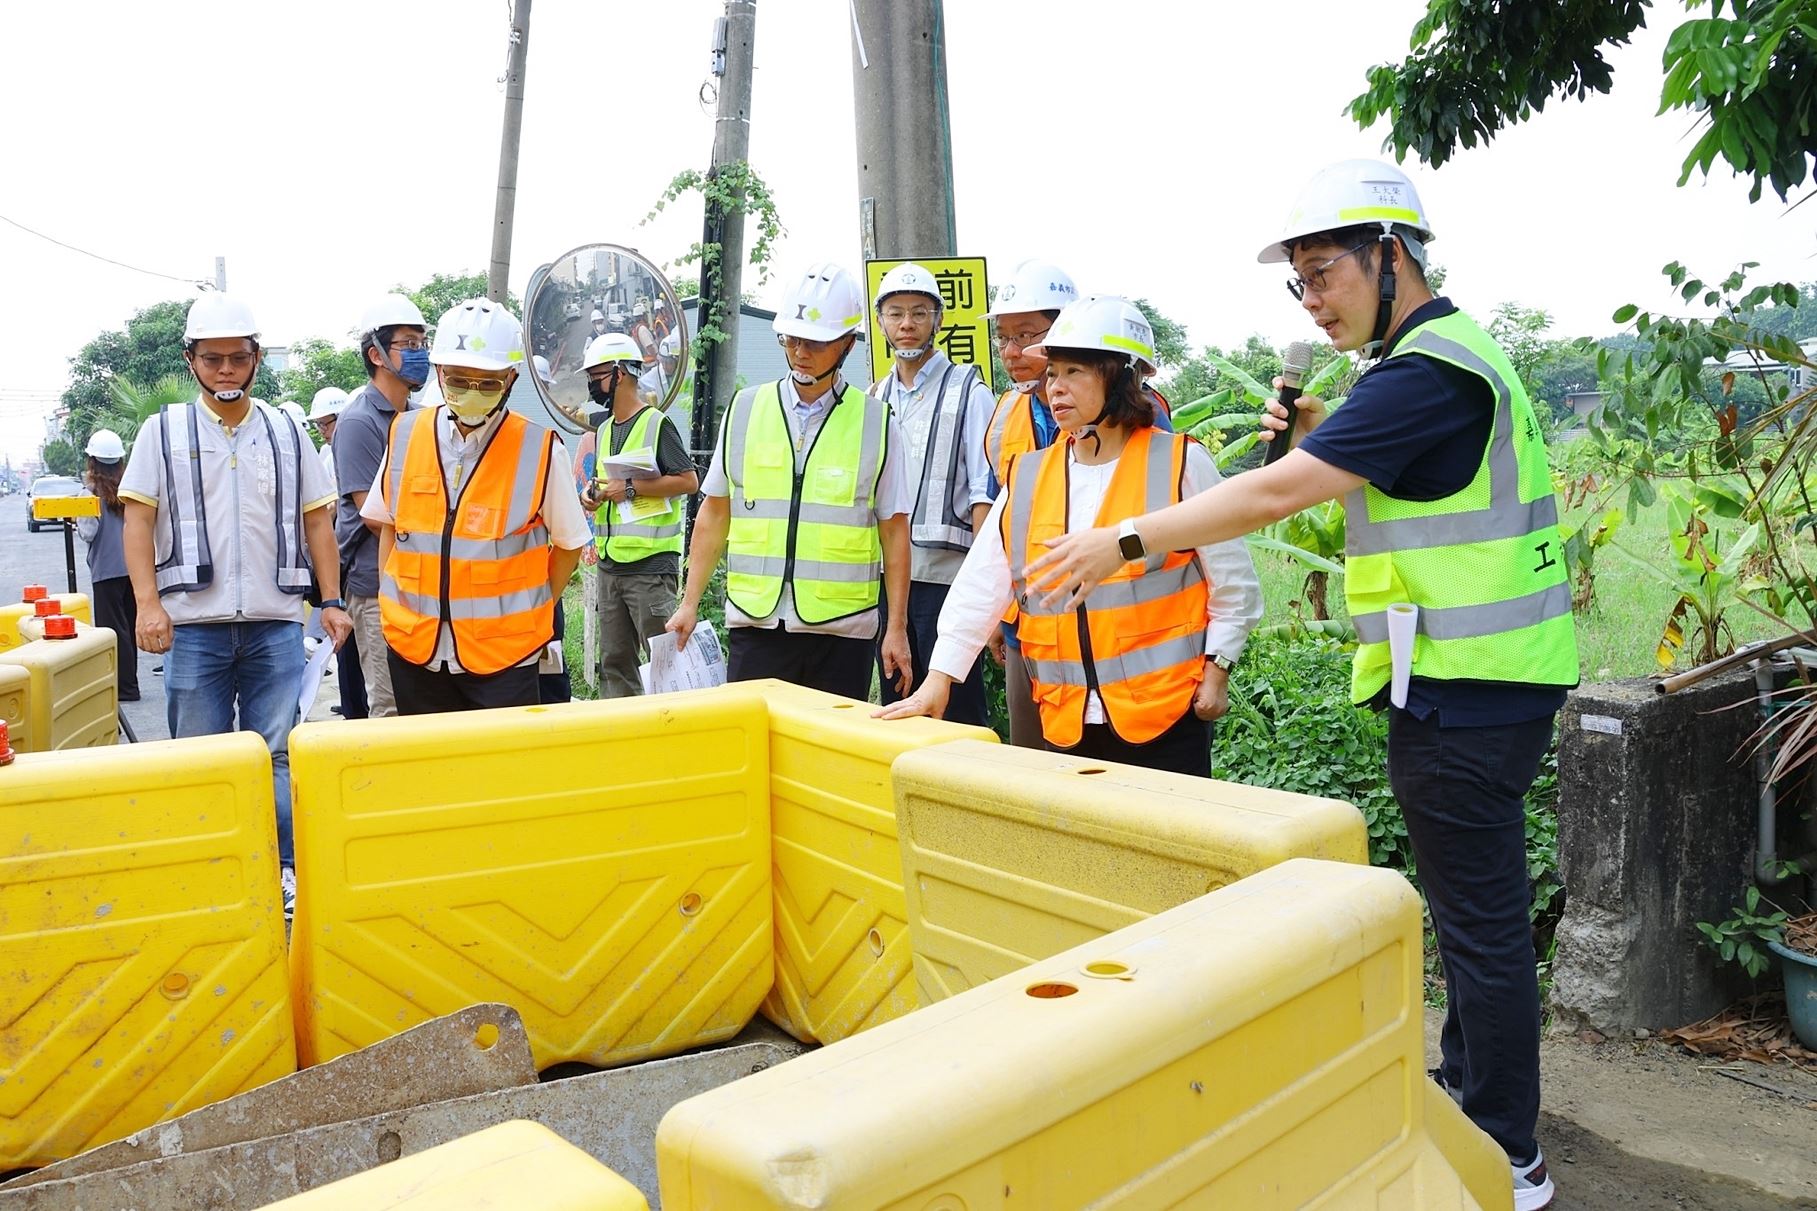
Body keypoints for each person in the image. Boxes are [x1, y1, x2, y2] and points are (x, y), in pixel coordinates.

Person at [1026, 160, 1573, 1211]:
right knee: (1472, 920)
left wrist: (1124, 539)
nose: (1312, 300)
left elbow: (1277, 492)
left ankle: (1504, 1152)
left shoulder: (1426, 372)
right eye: (1300, 284)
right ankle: (1471, 1102)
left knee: (1480, 928)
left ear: (1390, 254)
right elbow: (1394, 488)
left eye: (1323, 273)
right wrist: (1326, 425)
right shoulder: (1427, 364)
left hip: (1468, 685)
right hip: (1469, 681)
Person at [878, 295, 1260, 775]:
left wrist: (1219, 666)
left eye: (1074, 372)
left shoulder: (1181, 462)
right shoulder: (1032, 475)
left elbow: (1233, 580)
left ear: (1122, 376)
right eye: (1052, 373)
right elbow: (982, 583)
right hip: (1066, 719)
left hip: (1167, 716)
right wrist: (941, 677)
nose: (1055, 388)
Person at [118, 293, 351, 914]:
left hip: (277, 624)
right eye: (213, 358)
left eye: (238, 358)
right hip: (192, 627)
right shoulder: (161, 431)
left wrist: (330, 601)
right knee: (201, 756)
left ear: (255, 359)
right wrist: (147, 605)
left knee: (276, 753)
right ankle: (208, 873)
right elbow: (137, 523)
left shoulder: (283, 431)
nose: (226, 370)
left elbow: (317, 524)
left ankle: (283, 875)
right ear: (192, 359)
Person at [666, 262, 913, 699]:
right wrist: (689, 603)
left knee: (827, 759)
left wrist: (896, 628)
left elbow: (894, 532)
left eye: (815, 342)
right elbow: (715, 513)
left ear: (847, 345)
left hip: (843, 632)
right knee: (754, 755)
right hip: (756, 624)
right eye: (793, 338)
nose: (801, 351)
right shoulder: (744, 410)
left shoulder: (877, 423)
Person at [360, 298, 590, 714]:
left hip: (504, 660)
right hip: (416, 652)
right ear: (439, 372)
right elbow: (389, 526)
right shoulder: (406, 435)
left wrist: (531, 611)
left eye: (488, 383)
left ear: (511, 379)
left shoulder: (538, 450)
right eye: (460, 380)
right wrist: (389, 603)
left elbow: (569, 545)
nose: (472, 393)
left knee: (499, 775)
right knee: (429, 769)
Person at [869, 262, 998, 727]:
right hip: (888, 582)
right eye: (897, 313)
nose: (907, 325)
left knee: (956, 712)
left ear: (939, 320)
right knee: (898, 704)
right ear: (880, 322)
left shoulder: (970, 390)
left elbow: (985, 491)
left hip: (949, 583)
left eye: (920, 313)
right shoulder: (875, 397)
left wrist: (985, 589)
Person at [979, 258, 1082, 747]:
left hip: (1104, 626)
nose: (1011, 351)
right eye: (1004, 338)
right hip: (1028, 623)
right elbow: (999, 525)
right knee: (1032, 765)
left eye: (1025, 336)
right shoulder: (1005, 416)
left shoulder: (1136, 409)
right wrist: (999, 614)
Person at [579, 332, 699, 697]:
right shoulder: (602, 430)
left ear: (620, 374)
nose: (591, 385)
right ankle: (622, 739)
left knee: (663, 664)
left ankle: (671, 740)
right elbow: (607, 484)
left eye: (598, 376)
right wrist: (594, 495)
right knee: (614, 661)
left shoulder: (656, 424)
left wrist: (628, 488)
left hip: (650, 569)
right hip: (610, 565)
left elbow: (688, 481)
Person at [332, 294, 428, 718]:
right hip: (376, 587)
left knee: (423, 703)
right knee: (390, 705)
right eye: (409, 344)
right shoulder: (359, 423)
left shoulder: (422, 417)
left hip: (421, 583)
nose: (420, 353)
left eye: (422, 343)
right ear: (376, 354)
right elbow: (375, 516)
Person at [306, 386, 365, 717]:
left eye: (326, 424)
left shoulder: (349, 446)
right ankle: (351, 703)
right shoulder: (328, 453)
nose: (323, 432)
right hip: (342, 559)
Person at [76, 428, 138, 702]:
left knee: (112, 632)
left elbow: (88, 533)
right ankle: (130, 683)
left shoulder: (88, 495)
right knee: (128, 627)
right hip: (133, 568)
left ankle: (124, 689)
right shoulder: (131, 488)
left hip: (106, 570)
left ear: (93, 462)